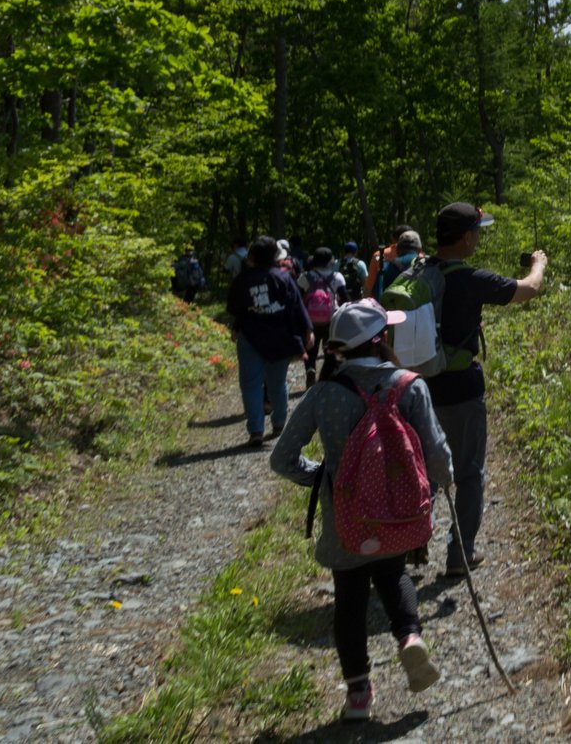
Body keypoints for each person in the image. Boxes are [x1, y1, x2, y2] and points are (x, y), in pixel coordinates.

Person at [271, 300, 450, 722]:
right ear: (381, 339)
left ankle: (358, 697)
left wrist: (323, 477)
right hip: (400, 514)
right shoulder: (410, 385)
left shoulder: (323, 394)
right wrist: (438, 484)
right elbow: (438, 452)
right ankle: (409, 638)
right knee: (393, 574)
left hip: (347, 518)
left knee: (349, 600)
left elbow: (282, 459)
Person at [424, 202, 545, 576]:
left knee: (422, 467)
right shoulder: (469, 278)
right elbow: (528, 290)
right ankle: (461, 554)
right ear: (465, 238)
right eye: (477, 231)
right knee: (469, 472)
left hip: (417, 386)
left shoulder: (417, 273)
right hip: (460, 388)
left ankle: (410, 543)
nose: (478, 237)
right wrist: (538, 262)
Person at [225, 236, 311, 449]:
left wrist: (236, 327)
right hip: (279, 337)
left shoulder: (241, 281)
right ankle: (280, 423)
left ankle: (256, 430)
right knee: (277, 382)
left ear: (252, 256)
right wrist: (307, 331)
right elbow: (296, 307)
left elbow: (236, 309)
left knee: (251, 384)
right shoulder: (283, 278)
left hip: (250, 337)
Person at [299, 247, 350, 385]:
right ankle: (328, 378)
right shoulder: (337, 277)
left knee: (311, 349)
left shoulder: (305, 277)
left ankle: (310, 368)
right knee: (330, 350)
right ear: (330, 261)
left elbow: (297, 299)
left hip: (310, 321)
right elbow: (345, 298)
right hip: (331, 319)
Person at [364, 226, 417, 300]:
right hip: (409, 302)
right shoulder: (418, 256)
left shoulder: (379, 255)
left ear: (393, 238)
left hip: (384, 302)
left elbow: (369, 286)